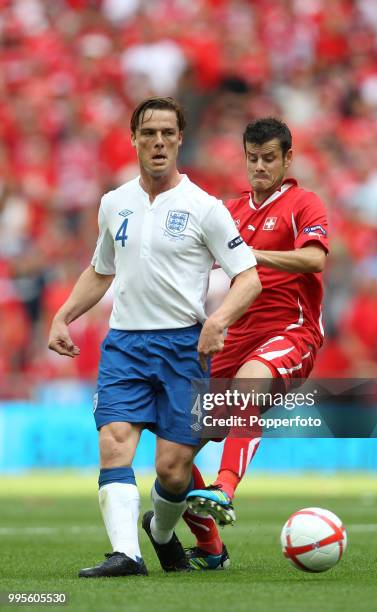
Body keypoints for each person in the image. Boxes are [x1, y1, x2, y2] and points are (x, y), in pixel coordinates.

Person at [47, 96, 261, 578]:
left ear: (180, 139)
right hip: (125, 343)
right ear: (135, 140)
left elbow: (248, 277)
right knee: (115, 441)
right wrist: (64, 315)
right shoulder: (113, 203)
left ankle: (161, 535)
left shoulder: (205, 208)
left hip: (184, 348)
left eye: (167, 133)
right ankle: (127, 554)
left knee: (172, 468)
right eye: (149, 133)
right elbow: (101, 271)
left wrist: (218, 319)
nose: (158, 141)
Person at [182, 117, 329, 569]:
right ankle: (210, 549)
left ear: (288, 158)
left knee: (250, 384)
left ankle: (224, 488)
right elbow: (196, 264)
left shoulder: (304, 203)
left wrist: (251, 253)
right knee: (174, 448)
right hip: (233, 338)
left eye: (269, 158)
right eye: (252, 158)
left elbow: (313, 258)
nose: (260, 166)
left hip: (290, 332)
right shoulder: (229, 211)